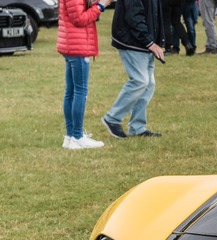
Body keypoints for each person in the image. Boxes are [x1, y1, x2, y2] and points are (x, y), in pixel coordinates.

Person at [101, 0, 166, 139]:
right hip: (132, 42)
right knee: (140, 81)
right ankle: (112, 118)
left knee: (149, 84)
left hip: (145, 42)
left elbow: (154, 12)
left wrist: (158, 41)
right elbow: (134, 17)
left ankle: (137, 127)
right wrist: (150, 42)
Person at [57, 0, 113, 149]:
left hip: (72, 45)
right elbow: (79, 19)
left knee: (71, 92)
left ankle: (70, 136)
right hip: (78, 47)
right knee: (80, 91)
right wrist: (100, 6)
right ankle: (77, 136)